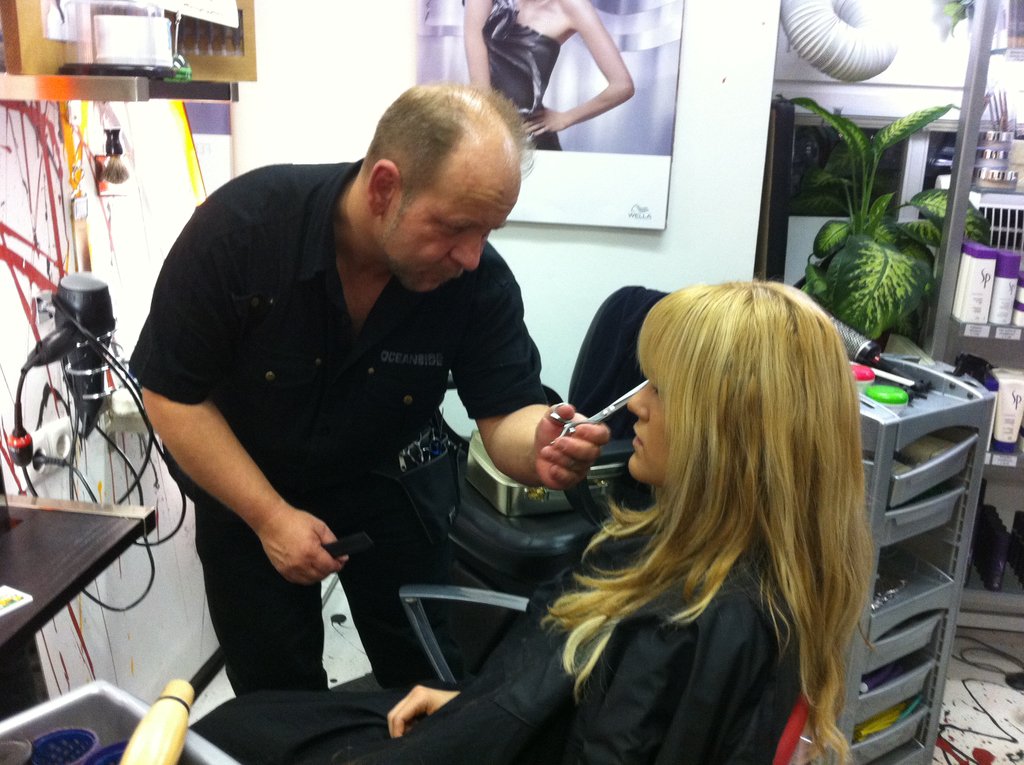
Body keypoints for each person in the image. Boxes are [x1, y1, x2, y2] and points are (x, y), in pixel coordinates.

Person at [192, 281, 875, 764]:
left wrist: (482, 721)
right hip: (500, 728)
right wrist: (470, 704)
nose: (636, 403)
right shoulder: (704, 560)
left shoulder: (698, 625)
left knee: (226, 741)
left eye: (660, 389)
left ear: (726, 432)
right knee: (244, 723)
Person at [130, 83, 609, 695]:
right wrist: (270, 518)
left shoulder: (476, 280)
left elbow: (507, 411)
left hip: (390, 481)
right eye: (456, 227)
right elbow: (172, 394)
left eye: (489, 230)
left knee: (428, 675)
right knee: (275, 696)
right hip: (251, 484)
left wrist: (540, 445)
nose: (471, 255)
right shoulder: (241, 233)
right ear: (384, 188)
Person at [464, 0, 635, 150]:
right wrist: (486, 124)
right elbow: (480, 88)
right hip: (486, 131)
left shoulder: (573, 6)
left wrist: (565, 118)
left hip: (531, 140)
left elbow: (622, 86)